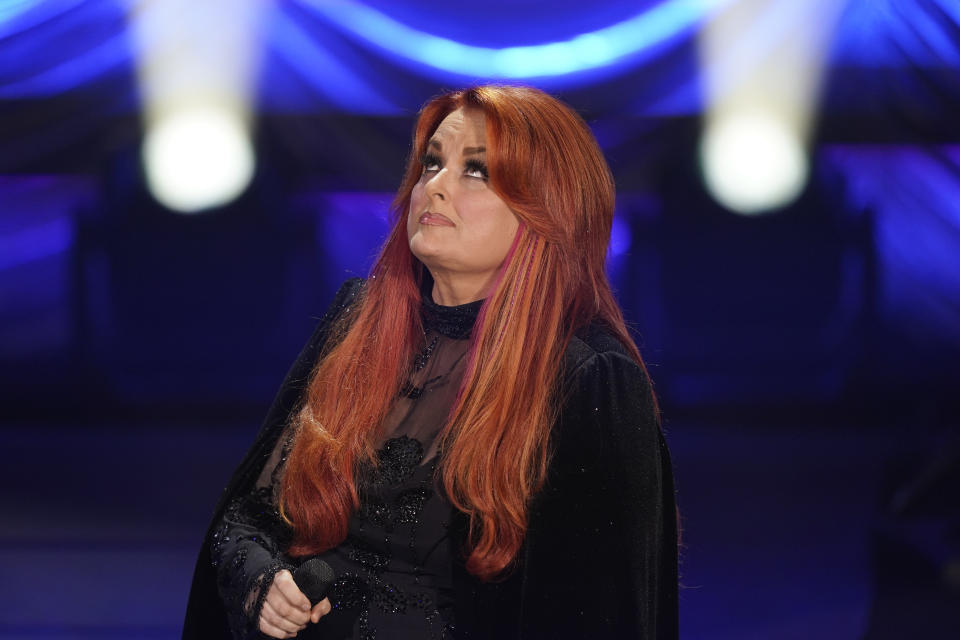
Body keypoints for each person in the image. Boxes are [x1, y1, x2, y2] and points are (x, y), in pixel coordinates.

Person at [182, 85, 678, 639]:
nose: (434, 187)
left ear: (548, 208)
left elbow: (606, 618)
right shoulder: (359, 319)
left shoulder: (589, 378)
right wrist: (262, 580)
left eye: (476, 172)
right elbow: (248, 518)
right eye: (432, 163)